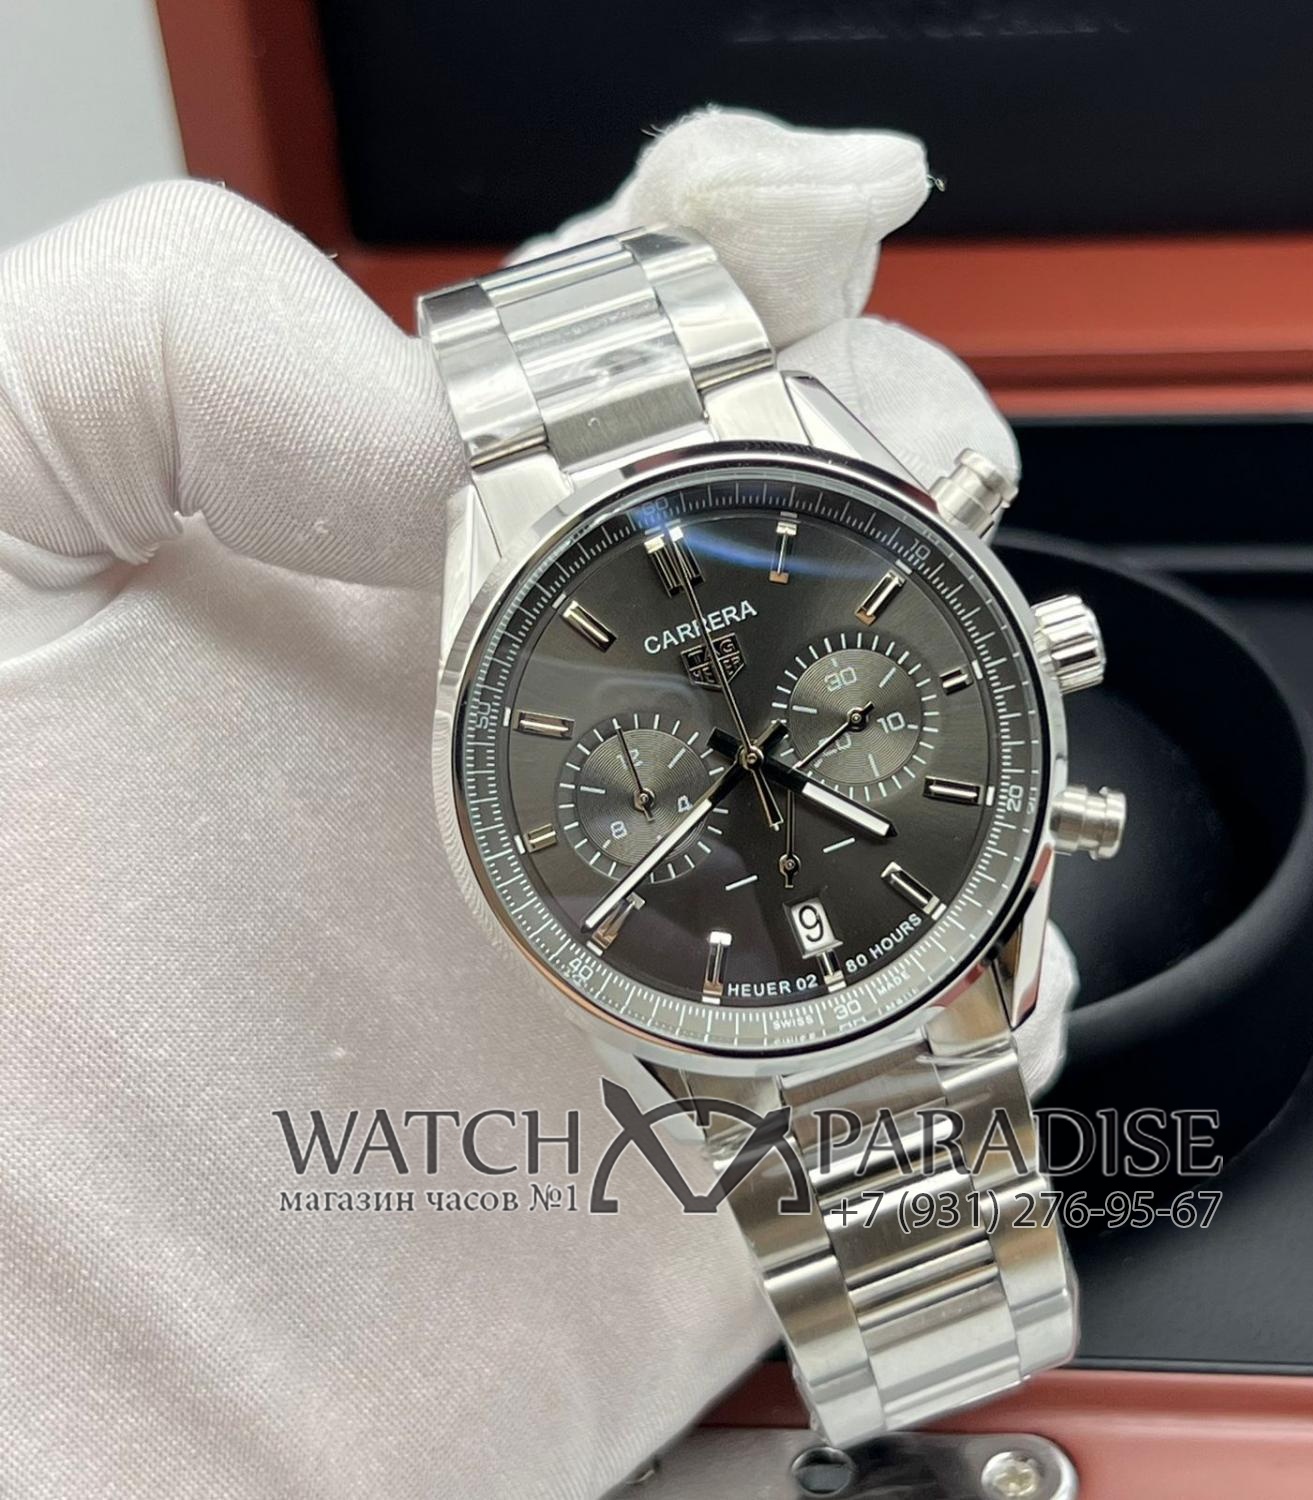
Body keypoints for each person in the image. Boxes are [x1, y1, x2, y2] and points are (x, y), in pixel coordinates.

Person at [0, 109, 1073, 1500]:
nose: (752, 769)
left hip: (862, 936)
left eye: (853, 721)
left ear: (1034, 656)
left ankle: (934, 1323)